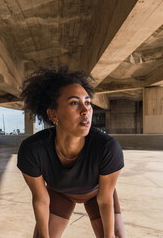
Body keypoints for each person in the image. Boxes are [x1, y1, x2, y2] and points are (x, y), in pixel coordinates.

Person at [17, 66, 125, 238]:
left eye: (87, 102)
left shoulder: (107, 148)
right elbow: (41, 200)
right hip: (59, 193)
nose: (85, 110)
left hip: (97, 193)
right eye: (74, 103)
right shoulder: (33, 150)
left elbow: (105, 199)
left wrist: (110, 236)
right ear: (53, 114)